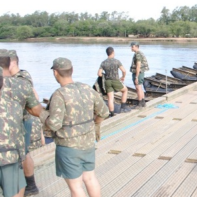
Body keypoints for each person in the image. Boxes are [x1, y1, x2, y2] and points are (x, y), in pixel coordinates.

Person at [39, 57, 109, 197]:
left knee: (76, 187)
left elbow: (54, 124)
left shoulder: (60, 94)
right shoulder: (87, 89)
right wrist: (95, 123)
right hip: (88, 142)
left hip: (68, 146)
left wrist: (42, 114)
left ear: (55, 73)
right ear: (72, 71)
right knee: (90, 178)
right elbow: (104, 112)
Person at [8, 50, 44, 196]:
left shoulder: (20, 78)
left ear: (12, 63)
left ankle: (28, 185)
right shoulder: (23, 75)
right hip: (18, 120)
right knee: (23, 153)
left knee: (22, 154)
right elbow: (35, 95)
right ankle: (29, 185)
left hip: (21, 121)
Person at [0, 66, 26, 197]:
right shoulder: (14, 106)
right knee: (14, 191)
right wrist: (21, 157)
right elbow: (19, 135)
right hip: (9, 156)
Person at [98, 47, 131, 116]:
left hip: (107, 82)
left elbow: (99, 74)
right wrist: (123, 77)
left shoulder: (103, 62)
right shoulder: (117, 61)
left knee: (110, 98)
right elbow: (124, 71)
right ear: (113, 52)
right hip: (115, 80)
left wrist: (105, 75)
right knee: (125, 90)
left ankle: (112, 113)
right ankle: (123, 108)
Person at [130, 42, 149, 107]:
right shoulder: (140, 53)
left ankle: (140, 102)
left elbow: (138, 65)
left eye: (132, 47)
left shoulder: (138, 54)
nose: (131, 48)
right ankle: (143, 102)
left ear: (136, 46)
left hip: (138, 73)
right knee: (140, 87)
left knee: (138, 87)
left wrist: (136, 77)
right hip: (141, 72)